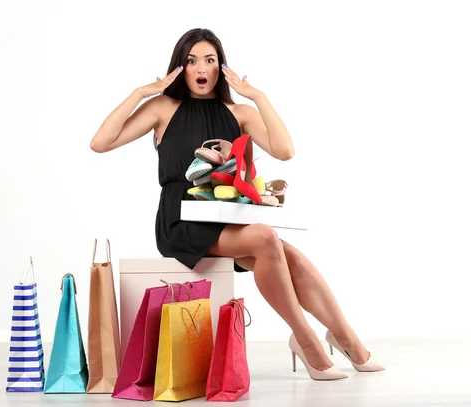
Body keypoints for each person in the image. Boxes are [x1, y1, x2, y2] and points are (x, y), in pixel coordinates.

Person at [89, 28, 384, 380]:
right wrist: (140, 92)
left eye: (210, 60)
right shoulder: (162, 108)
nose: (201, 68)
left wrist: (257, 96)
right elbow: (100, 142)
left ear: (220, 67)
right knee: (265, 238)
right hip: (180, 221)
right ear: (180, 68)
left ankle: (344, 336)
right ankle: (306, 340)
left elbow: (285, 150)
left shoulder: (238, 111)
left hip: (225, 217)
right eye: (191, 60)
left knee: (289, 256)